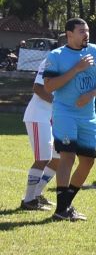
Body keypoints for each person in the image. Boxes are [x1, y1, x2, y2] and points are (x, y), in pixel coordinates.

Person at [40, 18, 96, 221]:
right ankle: (62, 209)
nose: (86, 34)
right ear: (69, 34)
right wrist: (77, 69)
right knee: (68, 156)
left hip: (88, 116)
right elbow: (48, 87)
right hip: (65, 113)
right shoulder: (56, 55)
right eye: (81, 31)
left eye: (87, 30)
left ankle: (64, 207)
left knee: (88, 160)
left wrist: (92, 93)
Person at [18, 58, 59, 211]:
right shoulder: (52, 60)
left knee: (58, 158)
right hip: (39, 116)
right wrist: (59, 103)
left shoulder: (74, 63)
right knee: (43, 158)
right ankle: (28, 200)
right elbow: (38, 88)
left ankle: (37, 194)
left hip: (54, 118)